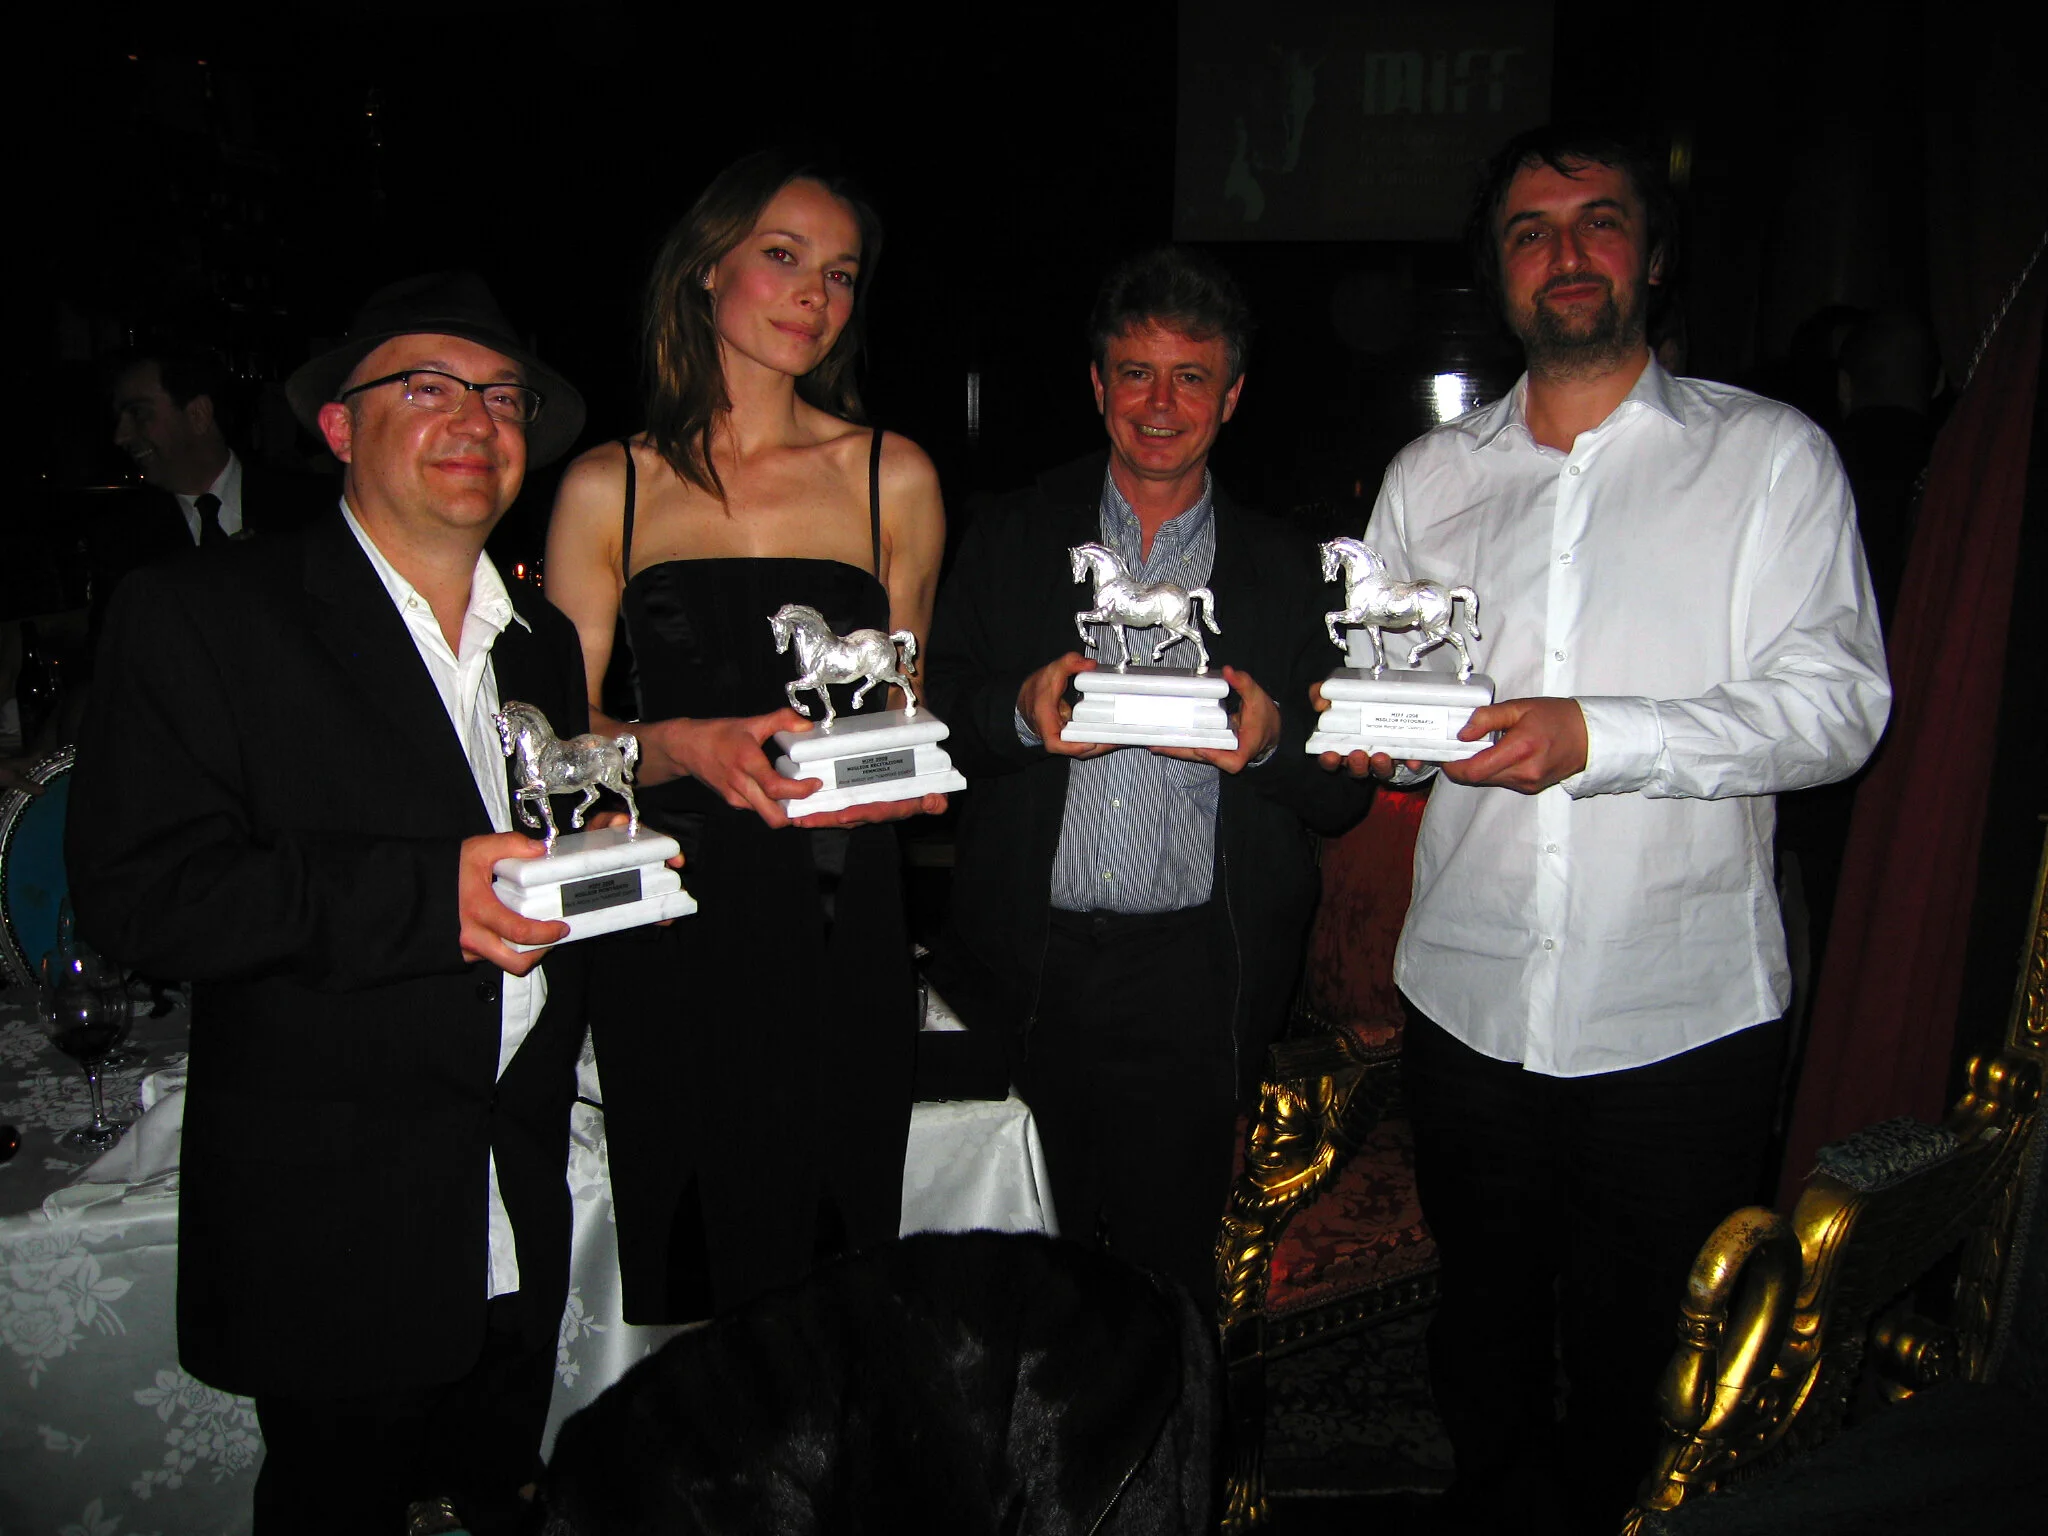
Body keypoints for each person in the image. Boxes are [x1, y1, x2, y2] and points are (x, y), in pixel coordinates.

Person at [1321, 127, 1892, 1530]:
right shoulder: (1428, 478)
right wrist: (1377, 745)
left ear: (1652, 250)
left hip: (1680, 1012)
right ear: (1499, 276)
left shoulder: (1769, 459)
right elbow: (1402, 702)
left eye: (1596, 221)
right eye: (1530, 231)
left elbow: (1836, 711)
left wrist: (1598, 737)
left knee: (1653, 1350)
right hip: (1467, 996)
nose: (1565, 253)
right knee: (1484, 1329)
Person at [68, 272, 596, 1536]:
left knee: (501, 1501)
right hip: (336, 1218)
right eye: (426, 387)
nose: (476, 417)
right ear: (338, 426)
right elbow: (140, 896)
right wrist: (432, 898)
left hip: (511, 1190)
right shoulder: (206, 615)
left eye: (504, 395)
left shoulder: (544, 648)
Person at [923, 247, 1368, 1309]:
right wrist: (1017, 717)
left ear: (1232, 395)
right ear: (1096, 386)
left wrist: (1269, 744)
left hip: (1196, 978)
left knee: (1167, 1286)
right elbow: (931, 714)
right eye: (1134, 373)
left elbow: (1341, 793)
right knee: (1021, 1282)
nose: (1159, 403)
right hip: (1029, 967)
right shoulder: (1012, 534)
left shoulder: (1283, 569)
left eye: (1189, 377)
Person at [545, 150, 945, 1321]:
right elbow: (564, 748)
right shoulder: (604, 485)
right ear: (705, 268)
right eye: (782, 257)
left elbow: (899, 710)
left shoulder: (894, 475)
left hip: (838, 909)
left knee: (830, 1289)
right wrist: (679, 745)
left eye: (840, 273)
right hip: (675, 920)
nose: (814, 294)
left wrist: (915, 775)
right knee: (705, 1290)